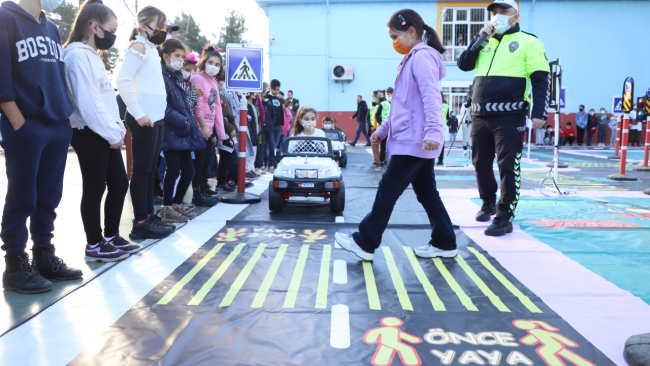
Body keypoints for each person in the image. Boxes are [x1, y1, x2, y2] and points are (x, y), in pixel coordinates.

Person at [335, 9, 456, 261]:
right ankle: (445, 241)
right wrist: (381, 131)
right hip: (414, 138)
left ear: (412, 32)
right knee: (426, 192)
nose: (394, 42)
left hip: (416, 140)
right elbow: (403, 105)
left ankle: (365, 241)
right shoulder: (411, 58)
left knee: (388, 189)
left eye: (395, 35)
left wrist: (435, 130)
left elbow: (432, 97)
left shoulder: (422, 58)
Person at [0, 0, 84, 293]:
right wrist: (18, 122)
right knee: (23, 195)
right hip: (26, 124)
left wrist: (66, 116)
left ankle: (44, 255)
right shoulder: (5, 17)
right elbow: (1, 74)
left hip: (57, 123)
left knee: (49, 195)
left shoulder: (50, 28)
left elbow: (56, 77)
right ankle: (14, 264)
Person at [458, 0, 550, 236]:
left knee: (508, 165)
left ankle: (504, 215)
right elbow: (464, 65)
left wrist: (539, 113)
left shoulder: (529, 41)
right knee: (480, 163)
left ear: (515, 16)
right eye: (493, 12)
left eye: (503, 11)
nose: (496, 15)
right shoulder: (484, 41)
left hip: (510, 115)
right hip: (480, 114)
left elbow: (541, 79)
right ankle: (488, 202)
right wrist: (478, 40)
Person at [63, 0, 140, 262]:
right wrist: (112, 133)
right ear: (95, 27)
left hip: (106, 132)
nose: (113, 36)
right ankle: (94, 244)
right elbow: (87, 103)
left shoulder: (92, 56)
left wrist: (117, 128)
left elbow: (105, 101)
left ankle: (110, 236)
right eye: (112, 30)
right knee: (95, 187)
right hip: (88, 131)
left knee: (119, 183)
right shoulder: (75, 56)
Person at [116, 6, 175, 241]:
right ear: (143, 26)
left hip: (156, 118)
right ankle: (140, 222)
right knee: (141, 171)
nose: (163, 31)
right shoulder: (138, 46)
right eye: (159, 27)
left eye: (164, 27)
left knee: (150, 170)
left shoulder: (151, 49)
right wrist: (138, 113)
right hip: (144, 119)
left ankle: (148, 216)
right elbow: (122, 80)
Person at [158, 39, 206, 222]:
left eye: (182, 56)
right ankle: (166, 207)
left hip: (182, 132)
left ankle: (177, 204)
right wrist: (185, 122)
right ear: (166, 56)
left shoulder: (176, 77)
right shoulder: (163, 77)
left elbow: (185, 103)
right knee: (173, 169)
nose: (180, 60)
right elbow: (165, 108)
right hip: (172, 131)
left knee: (189, 171)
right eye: (177, 56)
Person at [190, 45, 225, 203]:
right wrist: (203, 126)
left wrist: (219, 133)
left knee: (207, 161)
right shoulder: (198, 78)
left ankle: (204, 187)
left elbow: (217, 108)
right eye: (211, 62)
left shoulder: (214, 82)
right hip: (199, 128)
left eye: (217, 64)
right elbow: (198, 104)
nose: (214, 67)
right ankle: (198, 193)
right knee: (199, 161)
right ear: (204, 62)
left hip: (210, 130)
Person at [264, 79, 285, 168]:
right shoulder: (265, 98)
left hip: (279, 127)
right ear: (270, 88)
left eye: (278, 90)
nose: (276, 91)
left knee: (275, 146)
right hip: (270, 127)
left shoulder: (278, 99)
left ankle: (272, 164)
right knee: (269, 146)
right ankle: (267, 164)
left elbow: (281, 111)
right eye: (275, 89)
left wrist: (282, 124)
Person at [375, 87, 393, 166]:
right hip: (385, 127)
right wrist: (381, 122)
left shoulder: (396, 103)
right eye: (387, 94)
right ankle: (382, 160)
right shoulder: (382, 104)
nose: (388, 96)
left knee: (392, 144)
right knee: (383, 145)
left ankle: (390, 161)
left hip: (393, 128)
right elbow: (377, 115)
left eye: (390, 94)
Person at [245, 93, 261, 178]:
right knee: (250, 153)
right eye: (254, 93)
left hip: (255, 132)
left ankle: (250, 169)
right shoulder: (246, 106)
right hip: (250, 133)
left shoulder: (253, 106)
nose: (256, 95)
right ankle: (247, 170)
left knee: (254, 152)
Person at [436, 93, 450, 166]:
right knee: (441, 143)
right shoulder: (446, 106)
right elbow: (447, 117)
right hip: (443, 125)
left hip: (435, 124)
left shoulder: (435, 103)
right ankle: (440, 160)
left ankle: (430, 159)